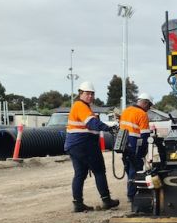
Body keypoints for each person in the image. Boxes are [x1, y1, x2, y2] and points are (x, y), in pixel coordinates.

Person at [64, 81, 120, 212]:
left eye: (92, 94)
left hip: (74, 145)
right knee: (99, 171)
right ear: (80, 94)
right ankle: (106, 200)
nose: (90, 96)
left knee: (80, 174)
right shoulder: (81, 106)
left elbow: (92, 122)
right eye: (87, 93)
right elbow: (92, 124)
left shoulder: (82, 107)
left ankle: (78, 204)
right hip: (84, 144)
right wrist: (109, 128)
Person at [119, 92, 153, 210]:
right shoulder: (142, 114)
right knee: (135, 170)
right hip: (135, 147)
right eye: (149, 106)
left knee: (129, 169)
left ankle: (130, 193)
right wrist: (144, 150)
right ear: (145, 103)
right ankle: (132, 195)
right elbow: (144, 135)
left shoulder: (126, 111)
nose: (149, 109)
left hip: (124, 145)